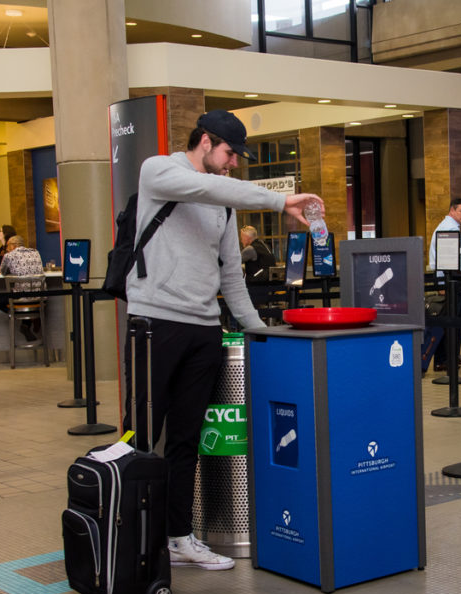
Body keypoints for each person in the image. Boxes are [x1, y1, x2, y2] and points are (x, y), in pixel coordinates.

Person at [125, 109, 322, 570]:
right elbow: (207, 187)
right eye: (230, 153)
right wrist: (279, 201)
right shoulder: (159, 171)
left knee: (187, 440)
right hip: (155, 321)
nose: (233, 163)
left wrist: (262, 335)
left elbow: (231, 276)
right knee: (138, 437)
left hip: (203, 328)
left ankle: (177, 537)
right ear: (206, 141)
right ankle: (130, 535)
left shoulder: (223, 204)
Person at [427, 198, 461, 371]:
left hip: (451, 278)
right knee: (450, 320)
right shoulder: (448, 229)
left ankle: (450, 356)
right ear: (452, 210)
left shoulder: (450, 228)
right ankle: (444, 360)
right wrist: (442, 285)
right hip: (449, 279)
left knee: (454, 320)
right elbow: (445, 260)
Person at [0, 235, 45, 341]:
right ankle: (30, 319)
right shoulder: (36, 252)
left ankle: (26, 317)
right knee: (25, 297)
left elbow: (4, 273)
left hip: (21, 297)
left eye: (7, 246)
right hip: (39, 297)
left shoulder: (8, 256)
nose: (6, 249)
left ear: (13, 246)